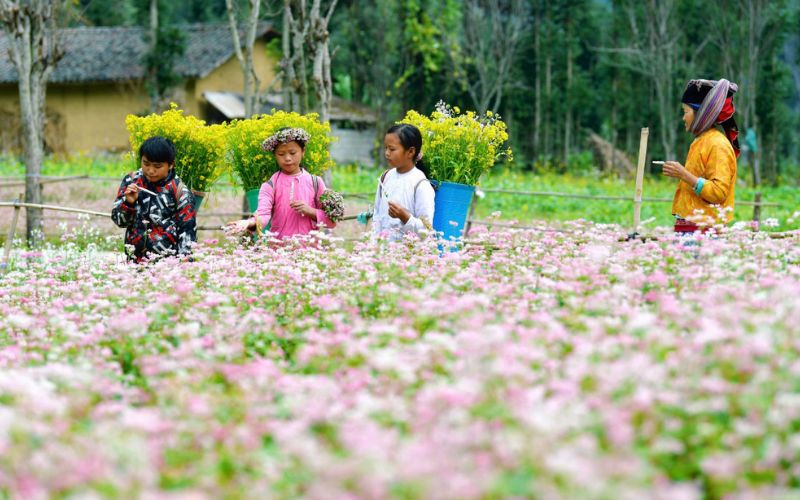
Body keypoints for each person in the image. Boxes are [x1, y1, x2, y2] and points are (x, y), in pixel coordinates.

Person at [226, 127, 336, 238]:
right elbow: (263, 214)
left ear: (303, 152)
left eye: (293, 153)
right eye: (281, 154)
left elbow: (331, 221)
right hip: (279, 251)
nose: (287, 158)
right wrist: (249, 222)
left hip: (309, 251)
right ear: (275, 155)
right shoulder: (270, 185)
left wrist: (310, 211)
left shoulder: (315, 182)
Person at [662, 79, 739, 232]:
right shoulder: (701, 141)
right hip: (689, 229)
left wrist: (684, 174)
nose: (684, 118)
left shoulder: (717, 145)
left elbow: (718, 192)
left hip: (703, 233)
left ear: (700, 114)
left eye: (686, 112)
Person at [112, 136, 197, 262]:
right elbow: (120, 221)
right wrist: (128, 203)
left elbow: (187, 237)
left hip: (166, 267)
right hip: (134, 263)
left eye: (157, 166)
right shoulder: (132, 181)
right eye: (146, 164)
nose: (150, 171)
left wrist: (184, 269)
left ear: (171, 165)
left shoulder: (180, 192)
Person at [369, 123, 435, 240]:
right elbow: (377, 217)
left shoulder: (420, 184)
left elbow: (426, 231)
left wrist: (405, 217)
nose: (387, 153)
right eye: (386, 148)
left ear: (410, 152)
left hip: (406, 255)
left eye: (392, 149)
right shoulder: (386, 176)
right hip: (382, 253)